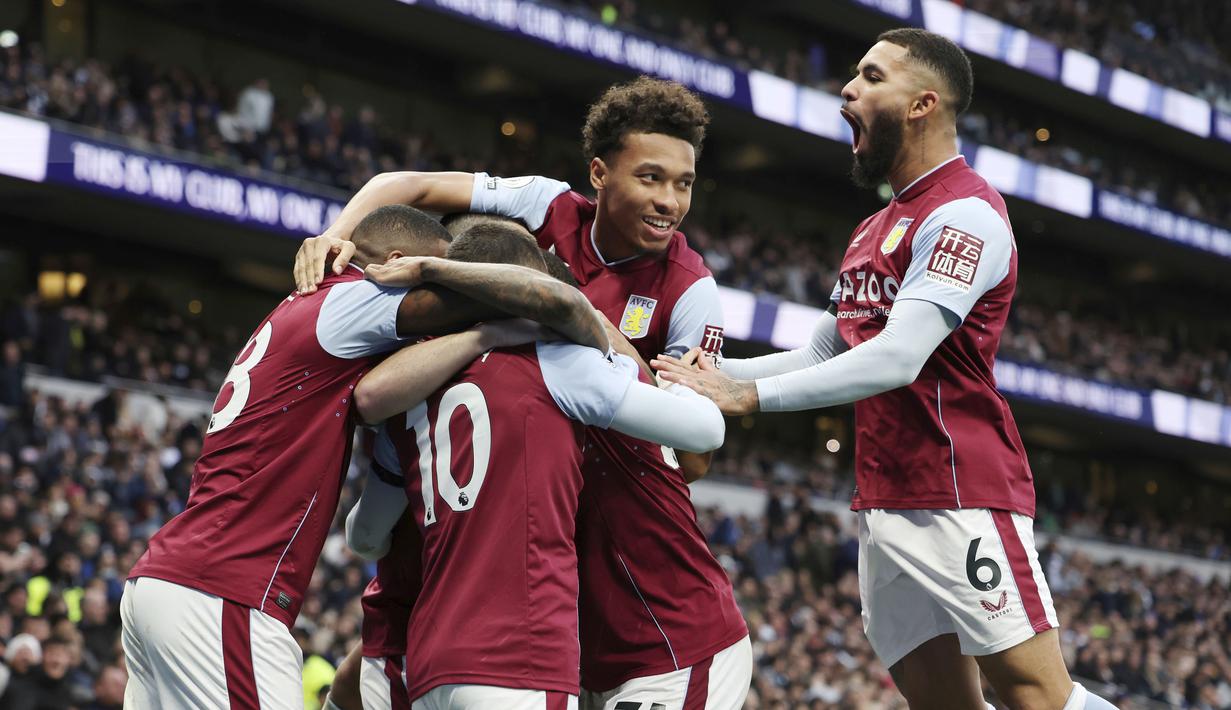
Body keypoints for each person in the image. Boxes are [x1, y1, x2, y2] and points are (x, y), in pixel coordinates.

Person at [652, 29, 1117, 710]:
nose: (848, 88)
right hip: (884, 499)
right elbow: (823, 353)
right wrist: (707, 376)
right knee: (941, 703)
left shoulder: (965, 213)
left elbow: (899, 358)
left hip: (959, 491)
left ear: (922, 103)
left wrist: (745, 394)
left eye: (871, 77)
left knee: (1041, 698)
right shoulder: (873, 228)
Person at [295, 76, 752, 710]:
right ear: (598, 171)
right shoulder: (547, 207)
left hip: (653, 607)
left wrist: (584, 339)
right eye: (650, 178)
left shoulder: (689, 288)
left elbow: (695, 458)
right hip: (563, 611)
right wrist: (338, 234)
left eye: (684, 183)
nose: (670, 201)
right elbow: (407, 187)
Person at [121, 205, 609, 709]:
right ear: (396, 262)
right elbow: (532, 298)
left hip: (171, 580)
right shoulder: (356, 301)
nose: (442, 283)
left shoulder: (307, 309)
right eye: (433, 270)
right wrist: (486, 320)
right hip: (221, 591)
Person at [344, 224, 727, 710]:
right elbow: (706, 433)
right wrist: (671, 379)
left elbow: (364, 537)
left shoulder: (407, 390)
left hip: (431, 662)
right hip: (522, 655)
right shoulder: (556, 360)